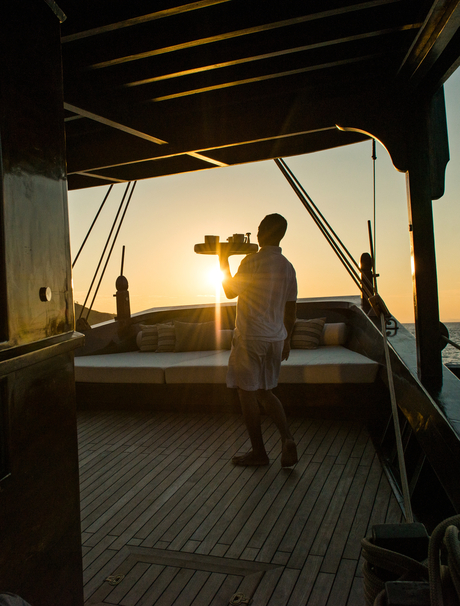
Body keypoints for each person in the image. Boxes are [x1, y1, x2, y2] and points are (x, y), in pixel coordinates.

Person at [219, 213, 298, 467]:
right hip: (276, 339)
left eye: (260, 226)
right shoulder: (288, 267)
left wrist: (223, 257)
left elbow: (230, 291)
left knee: (247, 395)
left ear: (263, 232)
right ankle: (286, 438)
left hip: (250, 338)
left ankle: (259, 452)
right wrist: (286, 339)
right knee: (266, 392)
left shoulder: (251, 261)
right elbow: (291, 312)